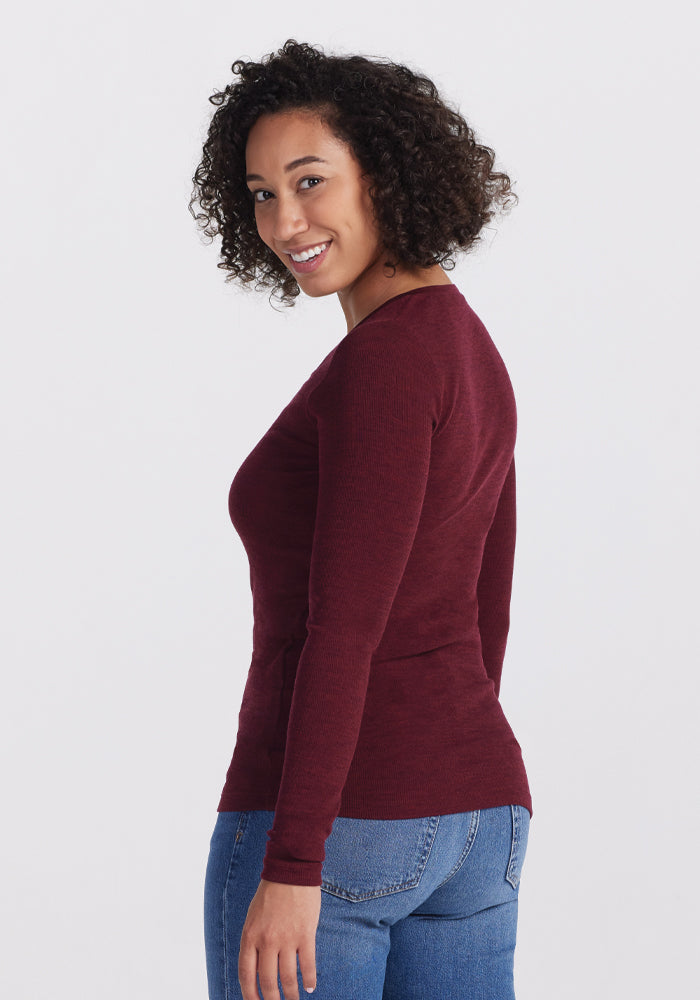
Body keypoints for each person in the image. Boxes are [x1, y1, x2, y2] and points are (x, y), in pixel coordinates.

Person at [189, 38, 533, 1000]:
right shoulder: (468, 345)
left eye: (309, 181)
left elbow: (343, 630)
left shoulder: (385, 364)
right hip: (477, 814)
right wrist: (445, 761)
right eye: (260, 193)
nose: (284, 219)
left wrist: (294, 863)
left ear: (383, 170)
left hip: (337, 827)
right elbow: (486, 600)